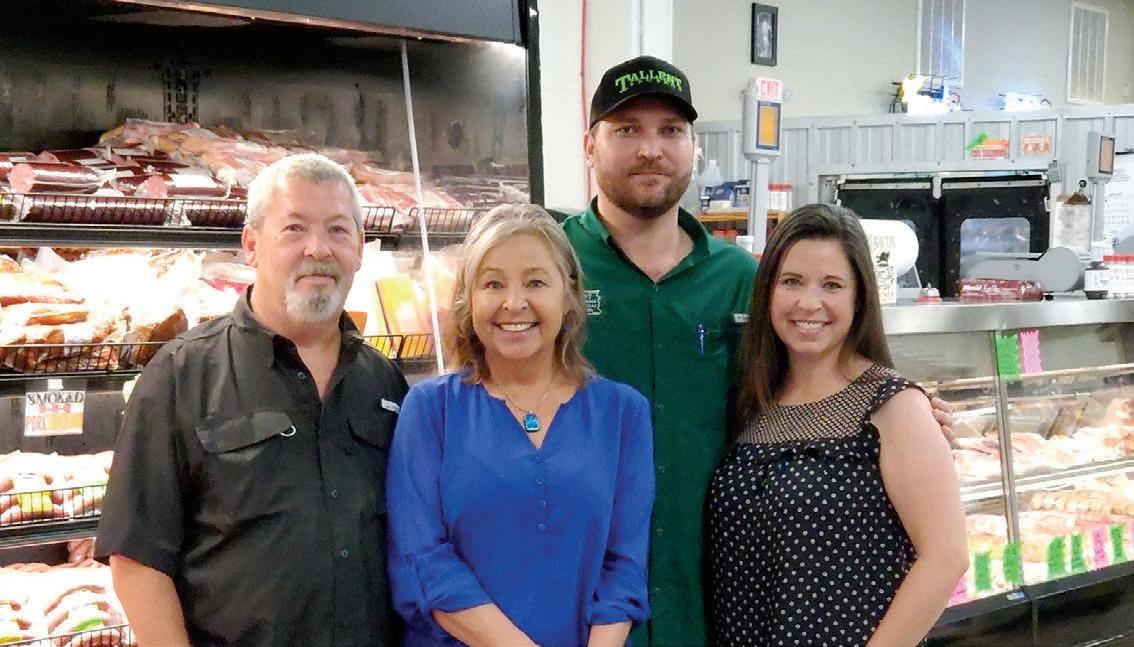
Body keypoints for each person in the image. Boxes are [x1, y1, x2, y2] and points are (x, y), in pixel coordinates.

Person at [563, 55, 955, 646]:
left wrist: (907, 420)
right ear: (589, 147)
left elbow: (817, 384)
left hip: (713, 609)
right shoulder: (552, 266)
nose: (651, 149)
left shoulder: (743, 281)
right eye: (627, 130)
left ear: (693, 146)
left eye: (670, 130)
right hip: (580, 602)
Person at [96, 153, 407, 647]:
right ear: (251, 245)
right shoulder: (181, 376)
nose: (318, 249)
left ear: (360, 249)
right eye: (294, 229)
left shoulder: (386, 385)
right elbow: (137, 561)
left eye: (338, 230)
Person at [387, 203, 654, 647]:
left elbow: (624, 569)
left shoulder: (623, 413)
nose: (514, 303)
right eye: (493, 284)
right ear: (469, 299)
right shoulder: (431, 410)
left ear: (568, 296)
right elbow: (424, 561)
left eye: (535, 282)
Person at [707, 203, 968, 646]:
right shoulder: (752, 402)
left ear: (858, 297)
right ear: (767, 291)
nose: (809, 303)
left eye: (832, 285)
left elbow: (945, 557)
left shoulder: (893, 405)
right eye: (792, 281)